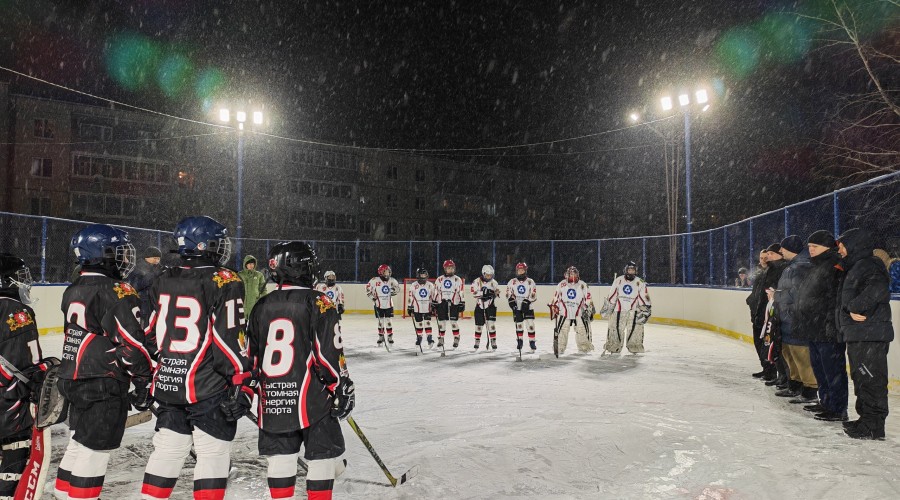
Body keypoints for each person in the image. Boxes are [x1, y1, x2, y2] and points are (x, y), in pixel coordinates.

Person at [140, 216, 253, 499]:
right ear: (204, 245)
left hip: (168, 383)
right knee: (213, 453)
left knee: (168, 449)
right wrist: (241, 380)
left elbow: (150, 335)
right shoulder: (224, 279)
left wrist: (170, 362)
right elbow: (230, 339)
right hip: (207, 385)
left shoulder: (163, 278)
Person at [247, 242, 353, 500]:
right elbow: (329, 354)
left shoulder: (261, 306)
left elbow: (251, 357)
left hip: (273, 399)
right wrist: (341, 386)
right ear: (301, 268)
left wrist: (248, 391)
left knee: (281, 459)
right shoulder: (319, 302)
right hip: (313, 399)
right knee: (321, 457)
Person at [56, 225, 153, 500]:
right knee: (94, 449)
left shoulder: (73, 288)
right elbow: (132, 345)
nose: (123, 258)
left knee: (80, 440)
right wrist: (144, 381)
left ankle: (63, 493)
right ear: (101, 254)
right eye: (117, 251)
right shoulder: (118, 291)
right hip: (103, 380)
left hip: (73, 377)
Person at [835, 228, 894, 440]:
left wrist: (854, 307)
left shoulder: (869, 265)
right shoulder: (856, 267)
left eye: (842, 244)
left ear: (854, 245)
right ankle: (866, 420)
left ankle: (874, 426)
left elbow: (878, 289)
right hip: (860, 334)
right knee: (862, 378)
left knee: (871, 380)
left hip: (870, 334)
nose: (839, 249)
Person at [0, 254, 48, 497]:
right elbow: (23, 364)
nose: (24, 283)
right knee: (13, 458)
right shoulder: (15, 310)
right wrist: (42, 376)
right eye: (19, 278)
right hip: (7, 406)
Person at [795, 230, 847, 421]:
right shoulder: (815, 266)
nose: (811, 250)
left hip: (828, 329)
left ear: (827, 247)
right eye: (809, 247)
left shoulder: (834, 267)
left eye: (815, 246)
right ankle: (825, 401)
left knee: (833, 370)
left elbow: (835, 300)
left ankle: (838, 408)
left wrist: (830, 324)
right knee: (820, 368)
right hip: (814, 328)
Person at [772, 235, 818, 403]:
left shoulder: (800, 268)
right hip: (788, 319)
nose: (780, 251)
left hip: (795, 320)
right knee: (791, 354)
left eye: (783, 248)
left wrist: (777, 295)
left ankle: (810, 390)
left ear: (790, 249)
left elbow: (798, 295)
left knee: (801, 356)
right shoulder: (793, 267)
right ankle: (797, 385)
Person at [747, 245, 788, 382]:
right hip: (759, 315)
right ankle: (767, 369)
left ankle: (773, 372)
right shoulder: (762, 273)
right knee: (760, 344)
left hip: (768, 316)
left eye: (768, 256)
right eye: (762, 257)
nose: (765, 259)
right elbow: (757, 293)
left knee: (769, 345)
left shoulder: (777, 271)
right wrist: (751, 302)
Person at [601, 261, 651, 354]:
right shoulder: (618, 280)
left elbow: (643, 298)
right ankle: (614, 347)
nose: (631, 272)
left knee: (635, 331)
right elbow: (612, 295)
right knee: (615, 329)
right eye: (629, 270)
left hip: (634, 312)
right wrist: (609, 308)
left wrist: (645, 310)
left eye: (633, 270)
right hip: (618, 311)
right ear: (626, 270)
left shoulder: (640, 282)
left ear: (635, 271)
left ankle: (634, 347)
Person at [550, 266, 595, 355]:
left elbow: (588, 297)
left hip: (580, 312)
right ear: (567, 274)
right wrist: (554, 306)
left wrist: (588, 309)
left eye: (575, 273)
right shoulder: (562, 284)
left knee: (582, 329)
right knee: (562, 329)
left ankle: (583, 348)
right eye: (571, 273)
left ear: (578, 274)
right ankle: (560, 347)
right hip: (564, 312)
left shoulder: (583, 285)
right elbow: (556, 297)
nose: (573, 275)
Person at [432, 260, 465, 349]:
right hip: (442, 303)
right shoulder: (439, 279)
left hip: (454, 303)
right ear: (445, 269)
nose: (450, 270)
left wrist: (462, 302)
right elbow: (436, 291)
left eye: (451, 268)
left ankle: (456, 337)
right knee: (441, 322)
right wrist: (434, 301)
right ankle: (441, 338)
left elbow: (461, 291)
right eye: (448, 268)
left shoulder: (457, 279)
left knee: (453, 321)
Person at [365, 265, 400, 346]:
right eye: (385, 271)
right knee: (380, 321)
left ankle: (390, 336)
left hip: (389, 304)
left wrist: (394, 291)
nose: (388, 273)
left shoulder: (392, 280)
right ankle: (381, 336)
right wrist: (372, 298)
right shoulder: (374, 280)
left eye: (388, 271)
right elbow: (367, 289)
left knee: (388, 320)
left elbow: (397, 288)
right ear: (381, 272)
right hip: (378, 304)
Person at [506, 262, 537, 351]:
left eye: (522, 270)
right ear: (517, 271)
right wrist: (512, 303)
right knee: (519, 324)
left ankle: (532, 342)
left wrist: (527, 301)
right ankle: (520, 340)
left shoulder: (530, 281)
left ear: (525, 270)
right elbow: (509, 293)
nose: (521, 272)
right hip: (517, 307)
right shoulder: (512, 282)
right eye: (519, 270)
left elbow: (533, 294)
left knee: (530, 324)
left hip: (528, 307)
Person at [128, 245, 163, 322]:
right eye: (155, 258)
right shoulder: (138, 268)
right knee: (144, 327)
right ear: (147, 257)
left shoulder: (158, 268)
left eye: (158, 258)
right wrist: (152, 277)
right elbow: (134, 286)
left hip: (155, 304)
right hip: (143, 305)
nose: (157, 260)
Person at [470, 265, 500, 351]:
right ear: (483, 274)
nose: (489, 277)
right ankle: (477, 340)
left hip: (490, 306)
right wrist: (483, 294)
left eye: (491, 275)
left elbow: (497, 293)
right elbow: (474, 293)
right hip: (479, 306)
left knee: (491, 325)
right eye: (487, 275)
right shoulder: (476, 281)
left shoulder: (494, 282)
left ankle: (493, 340)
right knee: (479, 325)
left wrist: (493, 295)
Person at [406, 268, 437, 348]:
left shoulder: (430, 285)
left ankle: (429, 338)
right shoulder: (414, 285)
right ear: (418, 276)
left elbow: (433, 296)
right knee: (419, 323)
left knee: (427, 323)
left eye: (424, 275)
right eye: (421, 275)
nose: (423, 277)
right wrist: (410, 306)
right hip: (417, 308)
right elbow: (411, 296)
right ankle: (419, 337)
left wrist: (434, 305)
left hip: (427, 308)